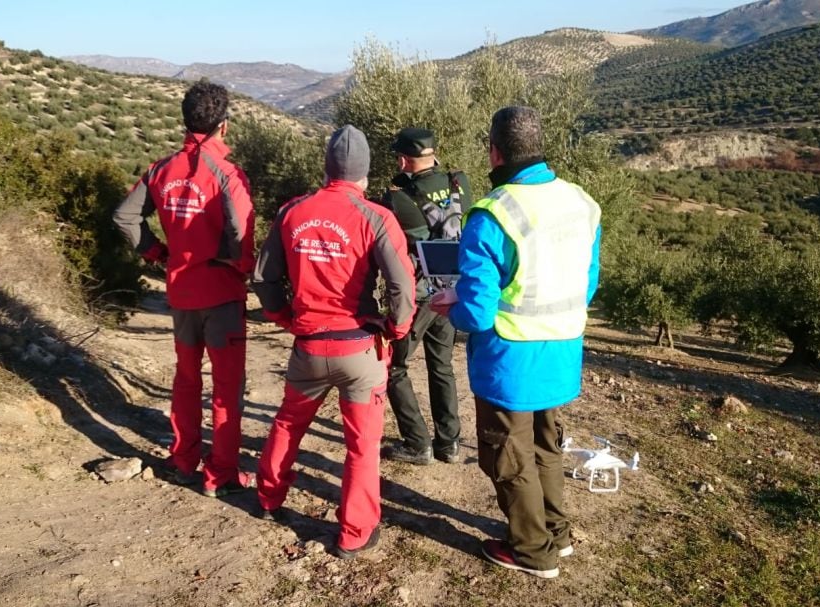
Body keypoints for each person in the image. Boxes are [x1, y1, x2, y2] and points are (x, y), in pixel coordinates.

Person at [431, 106, 601, 579]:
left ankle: (531, 551)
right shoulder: (581, 203)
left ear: (494, 151)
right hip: (562, 350)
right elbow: (588, 281)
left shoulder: (493, 213)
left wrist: (452, 301)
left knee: (508, 454)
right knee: (547, 444)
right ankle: (557, 534)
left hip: (509, 358)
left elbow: (478, 311)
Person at [253, 125, 416, 559]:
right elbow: (402, 285)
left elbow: (264, 277)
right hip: (359, 349)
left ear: (327, 167)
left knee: (288, 422)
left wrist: (285, 317)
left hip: (307, 347)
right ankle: (354, 533)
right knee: (362, 446)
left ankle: (268, 498)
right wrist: (396, 329)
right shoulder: (377, 217)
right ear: (364, 172)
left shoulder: (293, 211)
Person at [113, 81, 256, 498]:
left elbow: (125, 217)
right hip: (222, 293)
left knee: (186, 381)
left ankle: (183, 462)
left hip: (180, 292)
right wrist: (239, 265)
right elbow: (239, 231)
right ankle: (221, 474)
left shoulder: (161, 169)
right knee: (227, 389)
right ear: (223, 126)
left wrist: (157, 253)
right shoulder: (227, 175)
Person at [379, 127, 470, 465]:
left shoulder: (397, 197)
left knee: (394, 367)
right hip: (452, 290)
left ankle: (417, 443)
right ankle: (449, 443)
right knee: (441, 365)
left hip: (419, 296)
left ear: (404, 159)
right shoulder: (460, 182)